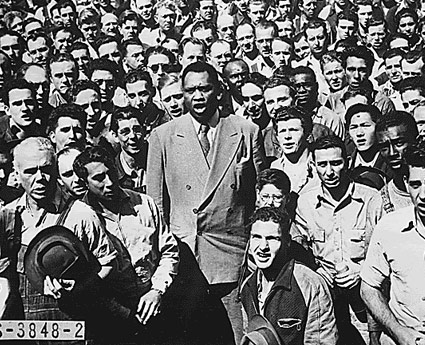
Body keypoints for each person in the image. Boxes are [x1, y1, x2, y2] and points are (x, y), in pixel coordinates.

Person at [147, 61, 267, 344]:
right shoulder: (163, 136)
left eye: (205, 89)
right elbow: (155, 204)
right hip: (184, 258)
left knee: (238, 337)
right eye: (190, 91)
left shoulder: (245, 131)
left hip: (232, 257)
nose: (198, 96)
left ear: (219, 91)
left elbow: (262, 195)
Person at [0, 137, 118, 337]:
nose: (40, 178)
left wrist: (80, 287)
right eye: (30, 171)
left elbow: (109, 264)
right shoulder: (8, 216)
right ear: (16, 173)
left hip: (72, 329)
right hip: (24, 332)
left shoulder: (80, 214)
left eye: (46, 169)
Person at [360, 140, 425, 345]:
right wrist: (398, 331)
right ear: (406, 182)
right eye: (415, 185)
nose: (423, 195)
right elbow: (369, 286)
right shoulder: (389, 227)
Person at [75, 145, 180, 342]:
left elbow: (169, 251)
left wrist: (156, 290)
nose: (110, 183)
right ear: (84, 183)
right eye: (98, 178)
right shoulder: (80, 217)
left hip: (154, 306)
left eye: (111, 173)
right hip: (110, 317)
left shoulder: (145, 204)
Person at [294, 135, 383, 345]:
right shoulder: (305, 203)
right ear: (313, 165)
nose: (329, 171)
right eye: (322, 164)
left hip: (366, 299)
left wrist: (360, 273)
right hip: (326, 302)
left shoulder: (372, 199)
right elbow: (302, 253)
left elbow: (385, 252)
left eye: (336, 163)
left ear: (348, 161)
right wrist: (317, 271)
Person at [240, 207, 338, 345]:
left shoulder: (309, 284)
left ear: (287, 241)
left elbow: (321, 341)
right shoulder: (247, 286)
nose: (263, 247)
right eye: (256, 237)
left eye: (272, 238)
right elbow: (249, 336)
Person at [271, 106, 319, 195]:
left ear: (308, 135)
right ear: (277, 137)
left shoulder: (320, 166)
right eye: (282, 131)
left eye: (293, 130)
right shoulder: (274, 168)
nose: (287, 136)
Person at [376, 111, 418, 213]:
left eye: (399, 143)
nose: (392, 153)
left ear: (416, 141)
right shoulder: (379, 202)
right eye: (384, 147)